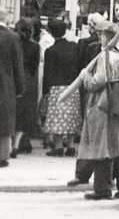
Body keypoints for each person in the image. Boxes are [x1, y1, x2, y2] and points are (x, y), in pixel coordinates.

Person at [79, 21, 119, 200]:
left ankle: (103, 189)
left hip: (106, 106)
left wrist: (85, 76)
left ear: (105, 36)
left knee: (104, 147)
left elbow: (99, 81)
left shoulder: (105, 56)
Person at [42, 19, 81, 157]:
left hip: (56, 86)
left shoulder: (50, 51)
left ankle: (58, 146)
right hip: (73, 85)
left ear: (51, 33)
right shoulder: (74, 47)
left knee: (57, 117)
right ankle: (70, 145)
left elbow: (48, 74)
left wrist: (45, 92)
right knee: (71, 116)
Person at [0, 8, 25, 168]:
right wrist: (20, 88)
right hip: (6, 86)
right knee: (5, 121)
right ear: (7, 20)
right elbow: (18, 66)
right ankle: (2, 156)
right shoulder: (13, 38)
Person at [13, 18, 40, 158]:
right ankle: (21, 142)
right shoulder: (35, 47)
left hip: (13, 80)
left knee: (14, 112)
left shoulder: (14, 43)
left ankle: (13, 142)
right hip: (28, 81)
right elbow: (34, 67)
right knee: (25, 114)